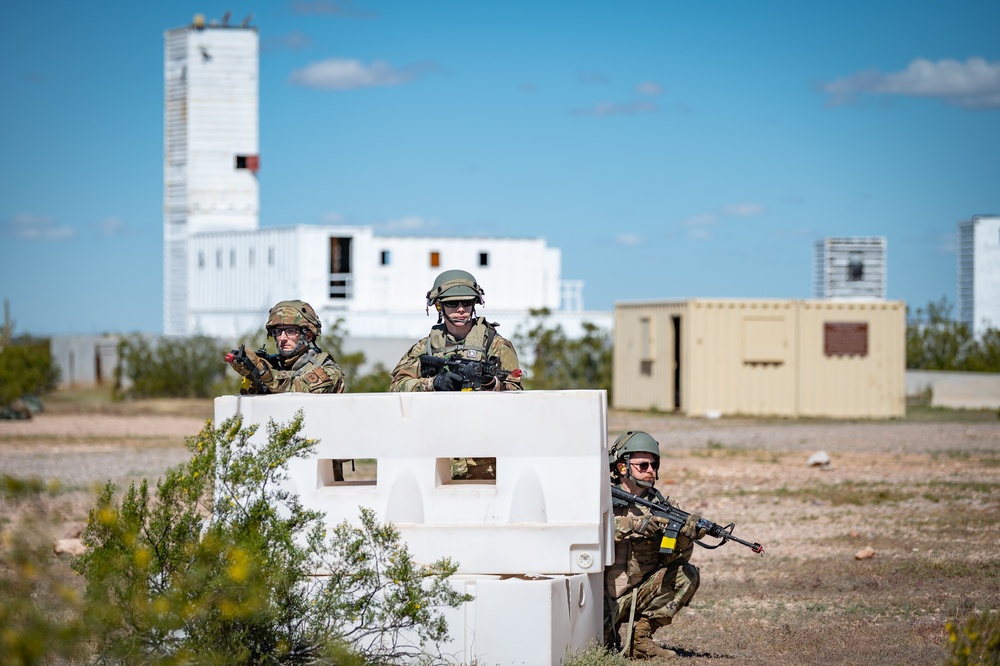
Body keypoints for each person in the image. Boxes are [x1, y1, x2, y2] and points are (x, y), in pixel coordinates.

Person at [389, 269, 522, 479]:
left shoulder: (495, 345)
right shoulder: (426, 347)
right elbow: (397, 385)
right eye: (452, 304)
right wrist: (433, 383)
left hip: (483, 452)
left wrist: (490, 384)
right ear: (439, 306)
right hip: (437, 449)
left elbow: (516, 393)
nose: (460, 310)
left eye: (466, 303)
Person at [605, 430, 707, 660]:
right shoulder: (601, 498)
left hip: (640, 591)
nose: (651, 470)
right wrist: (633, 525)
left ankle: (639, 640)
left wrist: (685, 536)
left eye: (654, 464)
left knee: (686, 574)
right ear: (622, 467)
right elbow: (590, 530)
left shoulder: (663, 506)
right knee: (599, 648)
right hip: (598, 598)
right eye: (643, 465)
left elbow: (672, 561)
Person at [226, 299, 346, 395]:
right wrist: (252, 374)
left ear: (308, 336)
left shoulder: (328, 369)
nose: (282, 338)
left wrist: (263, 371)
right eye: (278, 332)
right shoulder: (274, 364)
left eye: (291, 331)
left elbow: (297, 387)